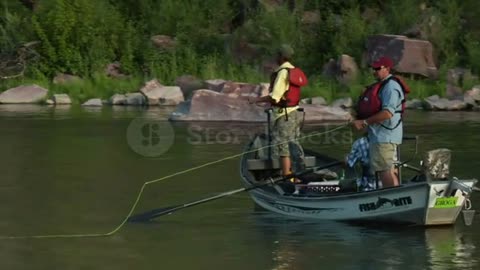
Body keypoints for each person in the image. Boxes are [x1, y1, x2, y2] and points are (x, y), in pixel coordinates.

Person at [248, 44, 304, 183]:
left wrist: (256, 100)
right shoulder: (293, 70)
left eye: (276, 55)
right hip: (295, 113)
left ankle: (286, 175)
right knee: (292, 143)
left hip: (284, 115)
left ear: (280, 56)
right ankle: (293, 173)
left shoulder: (283, 72)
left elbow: (275, 97)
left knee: (282, 145)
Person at [352, 56, 404, 188]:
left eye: (377, 68)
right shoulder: (383, 85)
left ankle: (392, 198)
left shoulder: (391, 87)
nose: (374, 71)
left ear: (387, 68)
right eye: (373, 69)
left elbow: (387, 113)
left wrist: (364, 122)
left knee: (384, 169)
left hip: (385, 136)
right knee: (388, 168)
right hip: (379, 135)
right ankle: (395, 196)